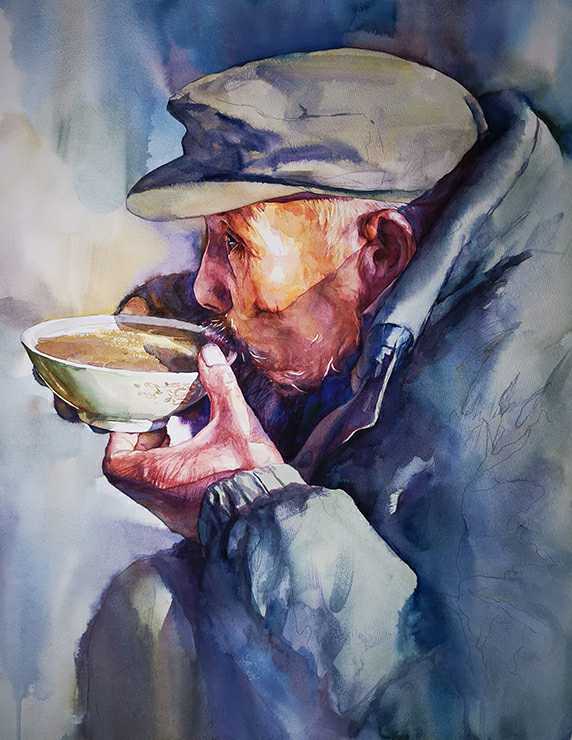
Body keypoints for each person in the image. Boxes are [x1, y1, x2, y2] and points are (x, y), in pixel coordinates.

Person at [71, 49, 572, 739]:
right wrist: (146, 340)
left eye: (235, 244)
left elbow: (464, 717)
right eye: (207, 241)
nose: (204, 286)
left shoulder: (533, 382)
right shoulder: (411, 250)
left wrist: (253, 507)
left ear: (382, 251)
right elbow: (310, 296)